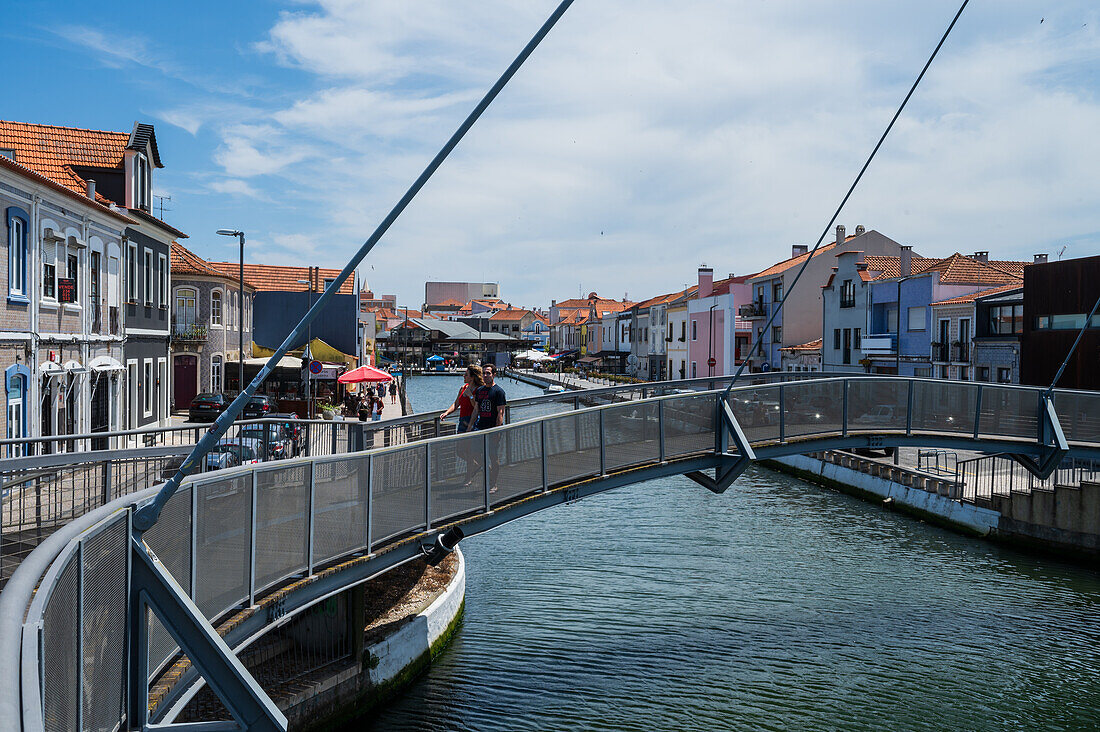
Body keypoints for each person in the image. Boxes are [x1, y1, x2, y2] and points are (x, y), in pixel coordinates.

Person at [470, 363, 507, 492]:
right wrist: (470, 426)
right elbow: (476, 409)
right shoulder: (480, 391)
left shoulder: (499, 392)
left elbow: (501, 413)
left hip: (493, 428)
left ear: (494, 375)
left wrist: (497, 430)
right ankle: (488, 470)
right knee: (474, 453)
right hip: (480, 427)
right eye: (484, 373)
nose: (485, 376)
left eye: (488, 373)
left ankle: (493, 483)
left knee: (493, 456)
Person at [440, 365, 483, 434]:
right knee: (460, 443)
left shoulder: (479, 389)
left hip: (474, 420)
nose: (464, 376)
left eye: (466, 375)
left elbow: (476, 407)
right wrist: (446, 413)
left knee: (473, 443)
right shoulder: (463, 388)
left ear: (472, 377)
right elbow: (456, 403)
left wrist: (470, 396)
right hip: (462, 420)